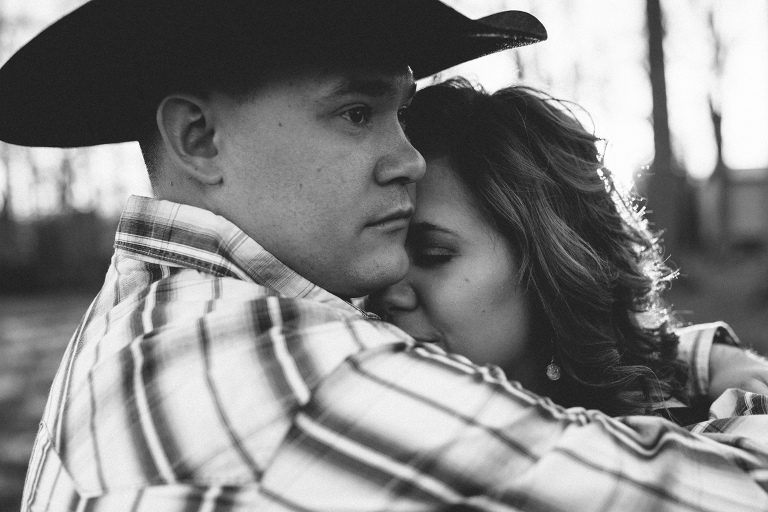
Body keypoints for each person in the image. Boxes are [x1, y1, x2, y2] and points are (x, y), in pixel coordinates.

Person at [1, 1, 767, 511]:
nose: (407, 158)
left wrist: (675, 356)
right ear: (198, 139)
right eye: (357, 111)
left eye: (400, 112)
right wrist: (736, 375)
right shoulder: (284, 382)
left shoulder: (145, 328)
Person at [369, 79, 768, 420]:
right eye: (383, 244)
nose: (389, 287)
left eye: (433, 254)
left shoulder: (660, 440)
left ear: (549, 267)